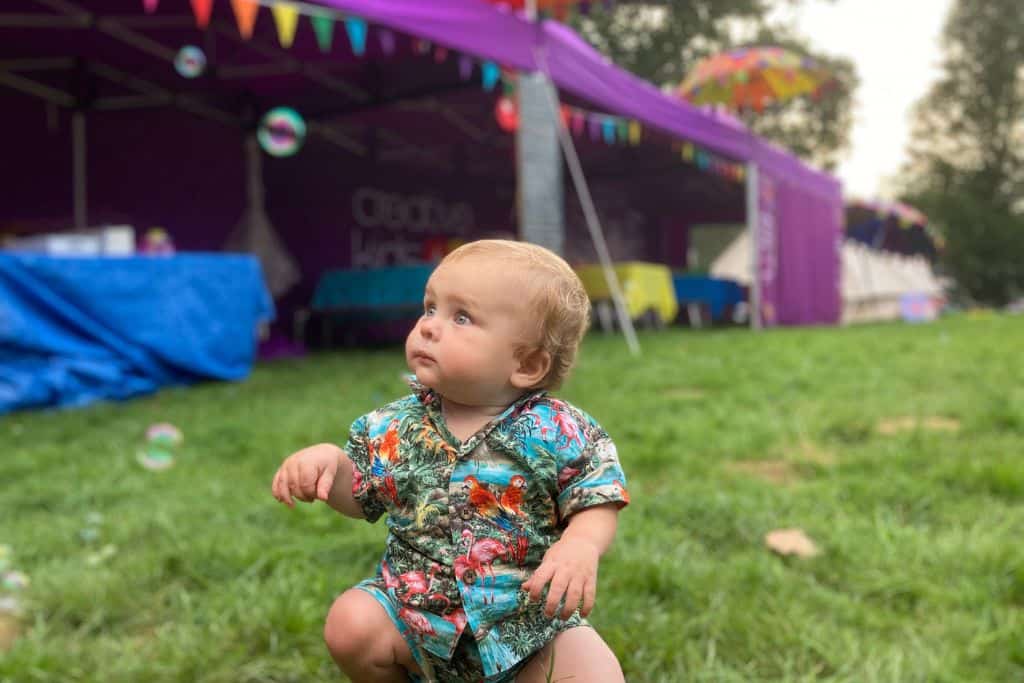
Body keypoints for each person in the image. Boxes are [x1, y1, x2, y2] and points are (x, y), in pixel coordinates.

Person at [271, 239, 629, 683]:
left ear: (528, 365)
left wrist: (581, 546)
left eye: (462, 317)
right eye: (429, 309)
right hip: (418, 617)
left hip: (528, 625)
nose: (429, 327)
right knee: (351, 622)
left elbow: (597, 496)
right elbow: (361, 497)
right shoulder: (393, 427)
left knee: (595, 673)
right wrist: (332, 467)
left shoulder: (557, 429)